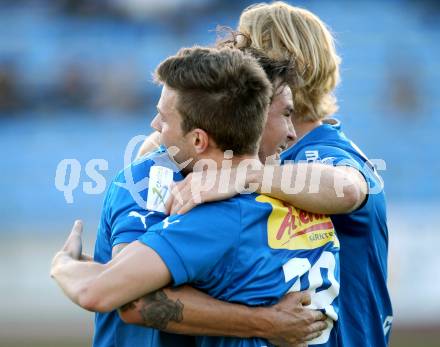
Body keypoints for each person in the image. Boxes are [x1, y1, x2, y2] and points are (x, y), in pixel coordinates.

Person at [51, 46, 339, 347]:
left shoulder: (212, 216)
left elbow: (118, 296)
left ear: (199, 139)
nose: (154, 128)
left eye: (164, 118)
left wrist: (63, 265)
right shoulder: (305, 200)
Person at [163, 3, 392, 347]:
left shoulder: (325, 151)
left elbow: (346, 190)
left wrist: (247, 175)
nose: (232, 59)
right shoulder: (258, 150)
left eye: (243, 48)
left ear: (277, 64)